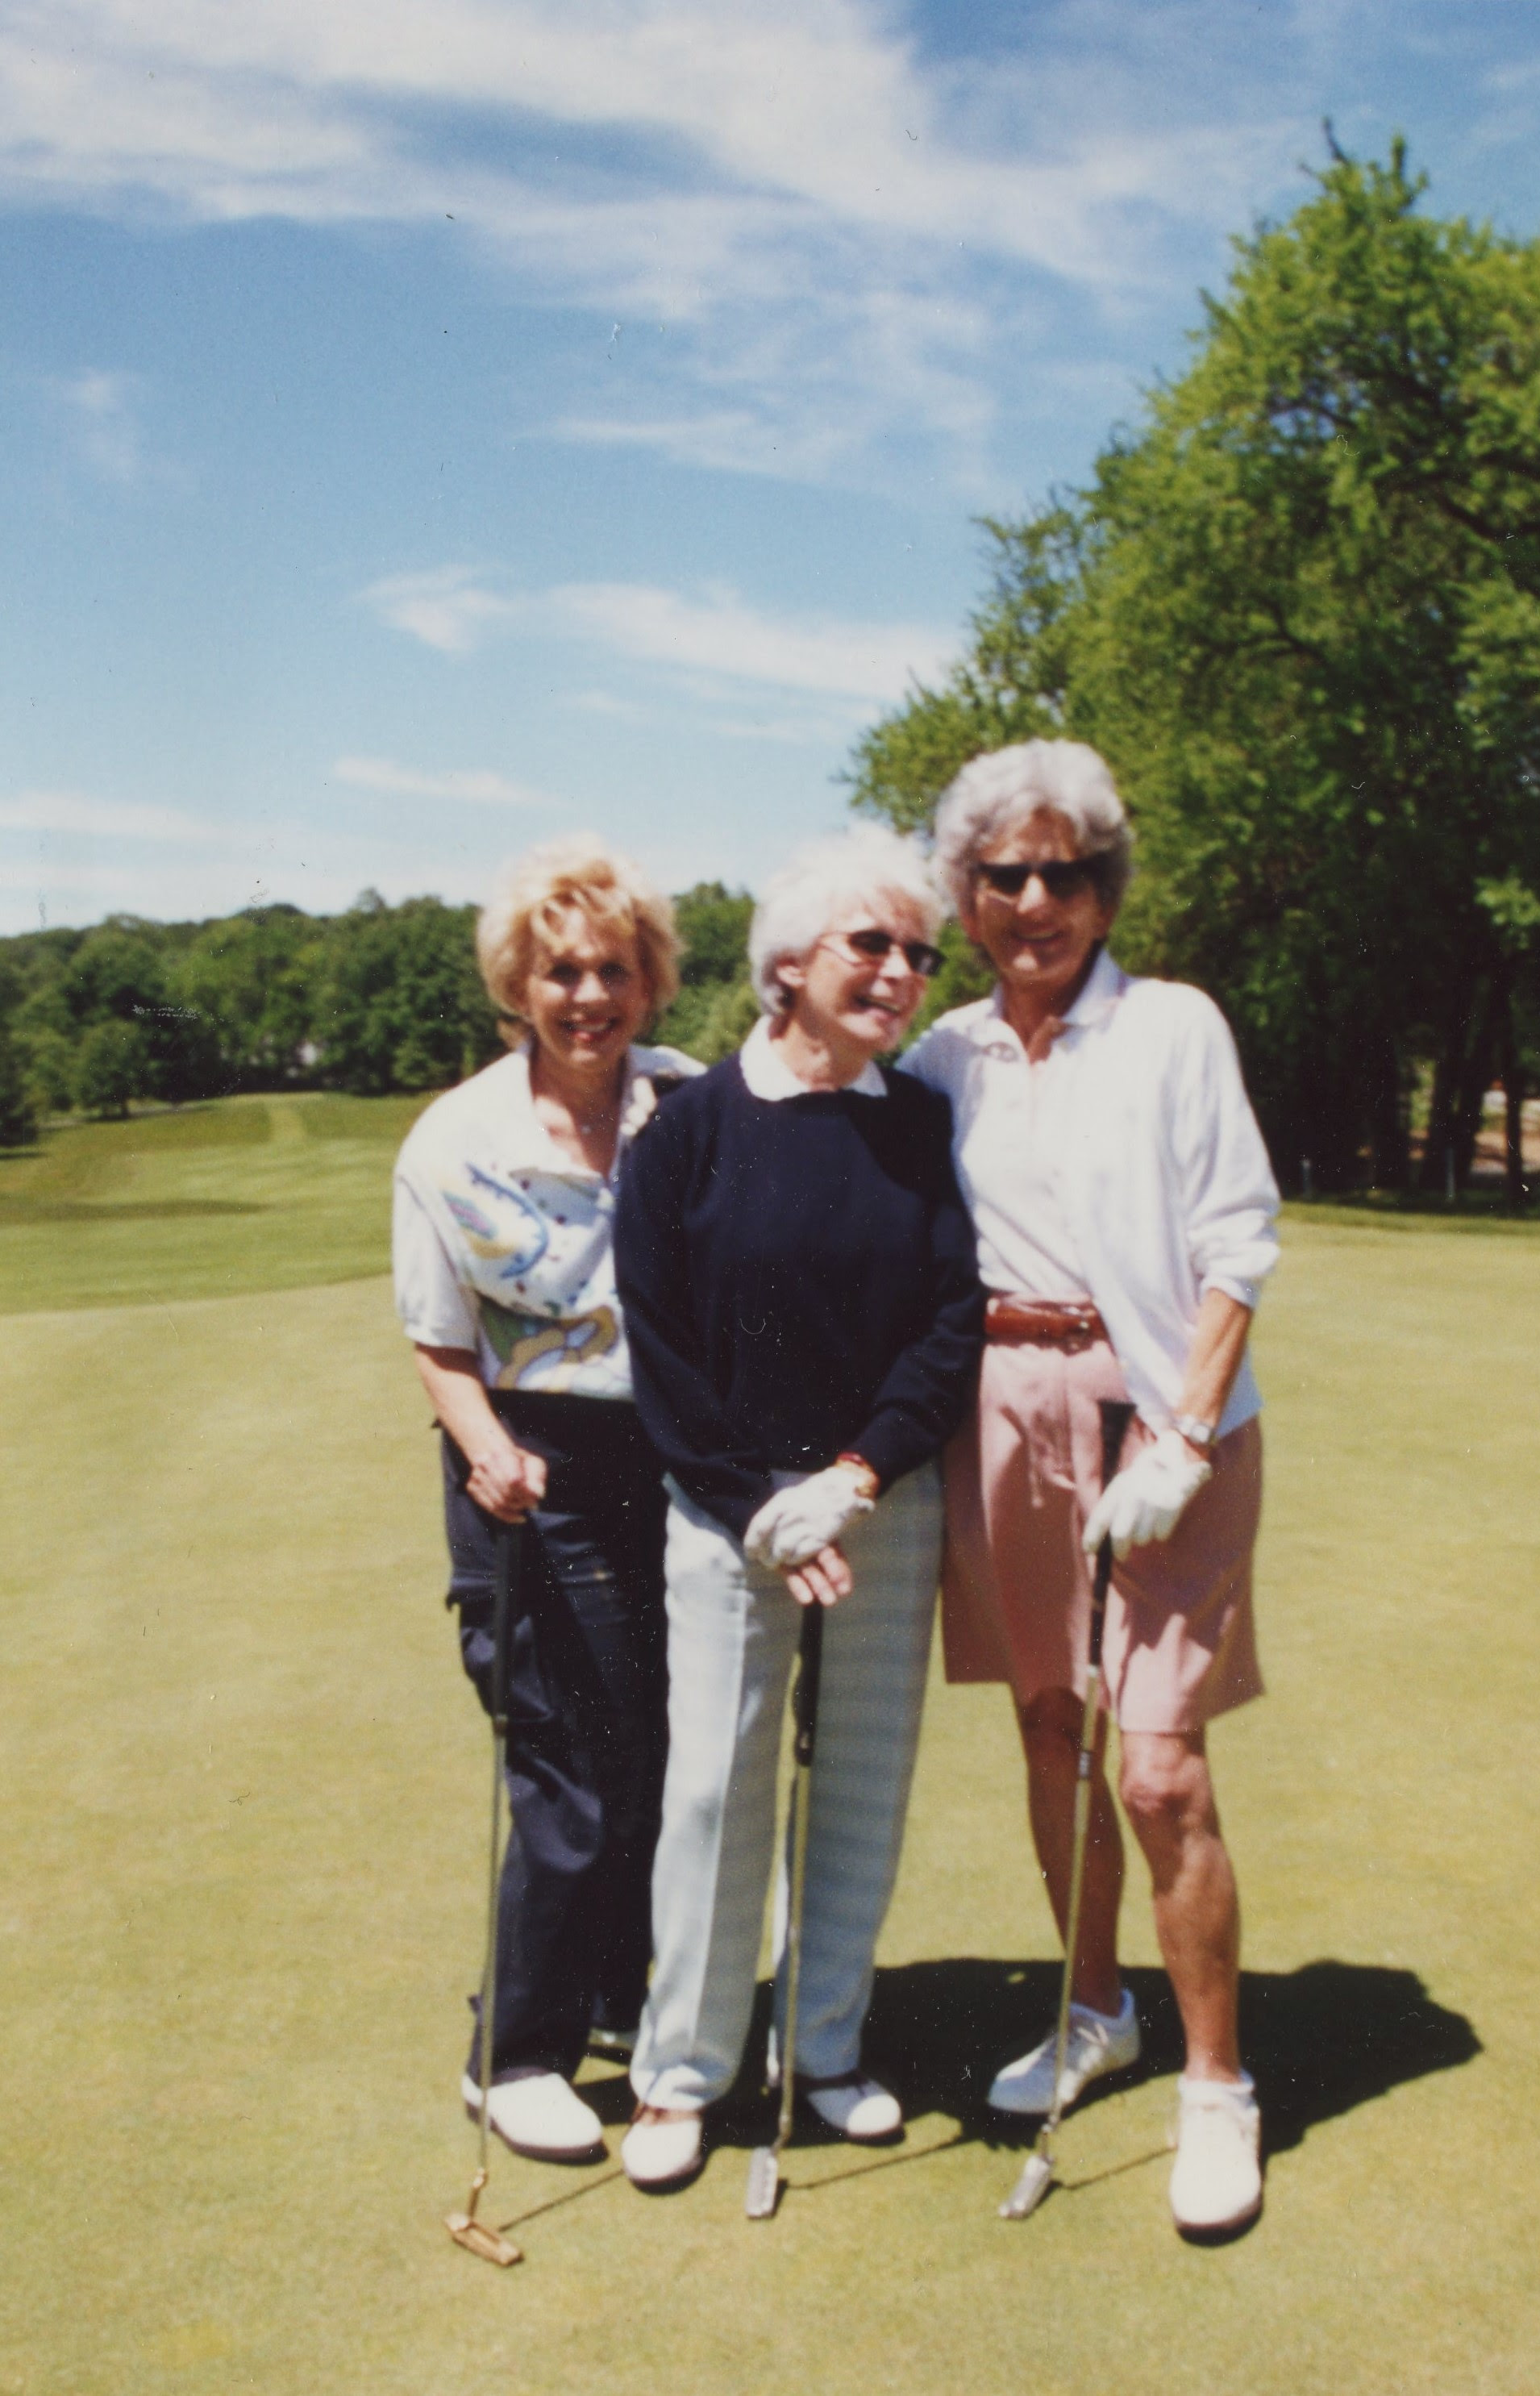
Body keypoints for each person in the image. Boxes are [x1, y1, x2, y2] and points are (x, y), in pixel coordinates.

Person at [902, 740, 1280, 2239]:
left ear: (1105, 884)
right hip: (1000, 1413)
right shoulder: (943, 1055)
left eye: (1068, 872)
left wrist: (1181, 1436)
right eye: (1006, 876)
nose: (1040, 899)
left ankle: (1215, 2089)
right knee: (1052, 1733)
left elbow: (1237, 1243)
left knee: (1154, 1766)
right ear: (967, 895)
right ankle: (1093, 2007)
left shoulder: (1172, 1027)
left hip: (1160, 1415)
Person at [612, 825, 984, 2190]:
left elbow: (950, 1325)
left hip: (879, 1502)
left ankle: (823, 2049)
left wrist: (853, 1480)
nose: (900, 972)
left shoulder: (919, 1123)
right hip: (727, 1518)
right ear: (789, 962)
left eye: (918, 954)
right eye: (870, 945)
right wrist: (764, 1504)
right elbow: (661, 1348)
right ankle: (683, 2075)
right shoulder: (688, 1133)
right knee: (714, 1789)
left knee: (862, 1790)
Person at [392, 835, 700, 2163]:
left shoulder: (688, 1104)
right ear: (519, 983)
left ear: (651, 982)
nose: (588, 996)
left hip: (673, 1463)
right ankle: (514, 2055)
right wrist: (484, 1447)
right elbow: (439, 1339)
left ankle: (621, 1999)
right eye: (561, 971)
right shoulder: (458, 1136)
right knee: (570, 1759)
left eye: (614, 970)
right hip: (527, 1468)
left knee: (660, 1745)